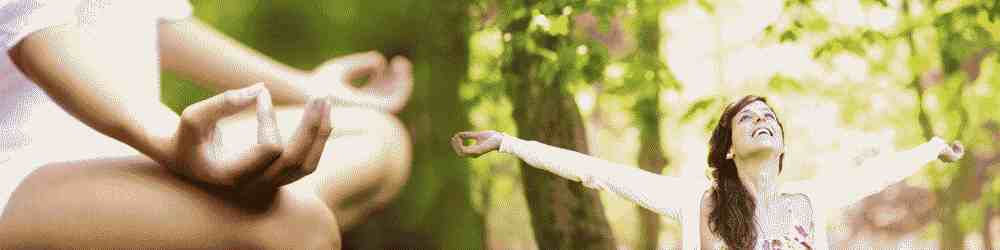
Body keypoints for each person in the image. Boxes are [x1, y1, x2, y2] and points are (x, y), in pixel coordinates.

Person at [0, 0, 412, 248]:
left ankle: (210, 229)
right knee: (298, 228)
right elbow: (33, 29)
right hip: (19, 167)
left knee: (376, 138)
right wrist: (165, 139)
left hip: (122, 146)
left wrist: (308, 88)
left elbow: (154, 18)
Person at [452, 95, 965, 250]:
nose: (762, 121)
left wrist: (934, 147)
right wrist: (508, 142)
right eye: (749, 118)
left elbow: (877, 175)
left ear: (781, 143)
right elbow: (597, 172)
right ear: (727, 150)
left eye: (769, 117)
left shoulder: (812, 200)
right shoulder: (692, 202)